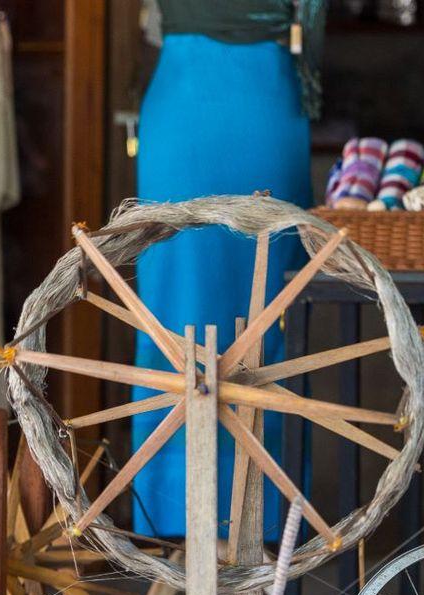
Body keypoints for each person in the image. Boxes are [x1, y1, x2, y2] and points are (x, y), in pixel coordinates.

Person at [130, 0, 326, 541]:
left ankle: (264, 515)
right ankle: (170, 513)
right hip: (191, 105)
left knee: (268, 315)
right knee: (173, 309)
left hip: (261, 104)